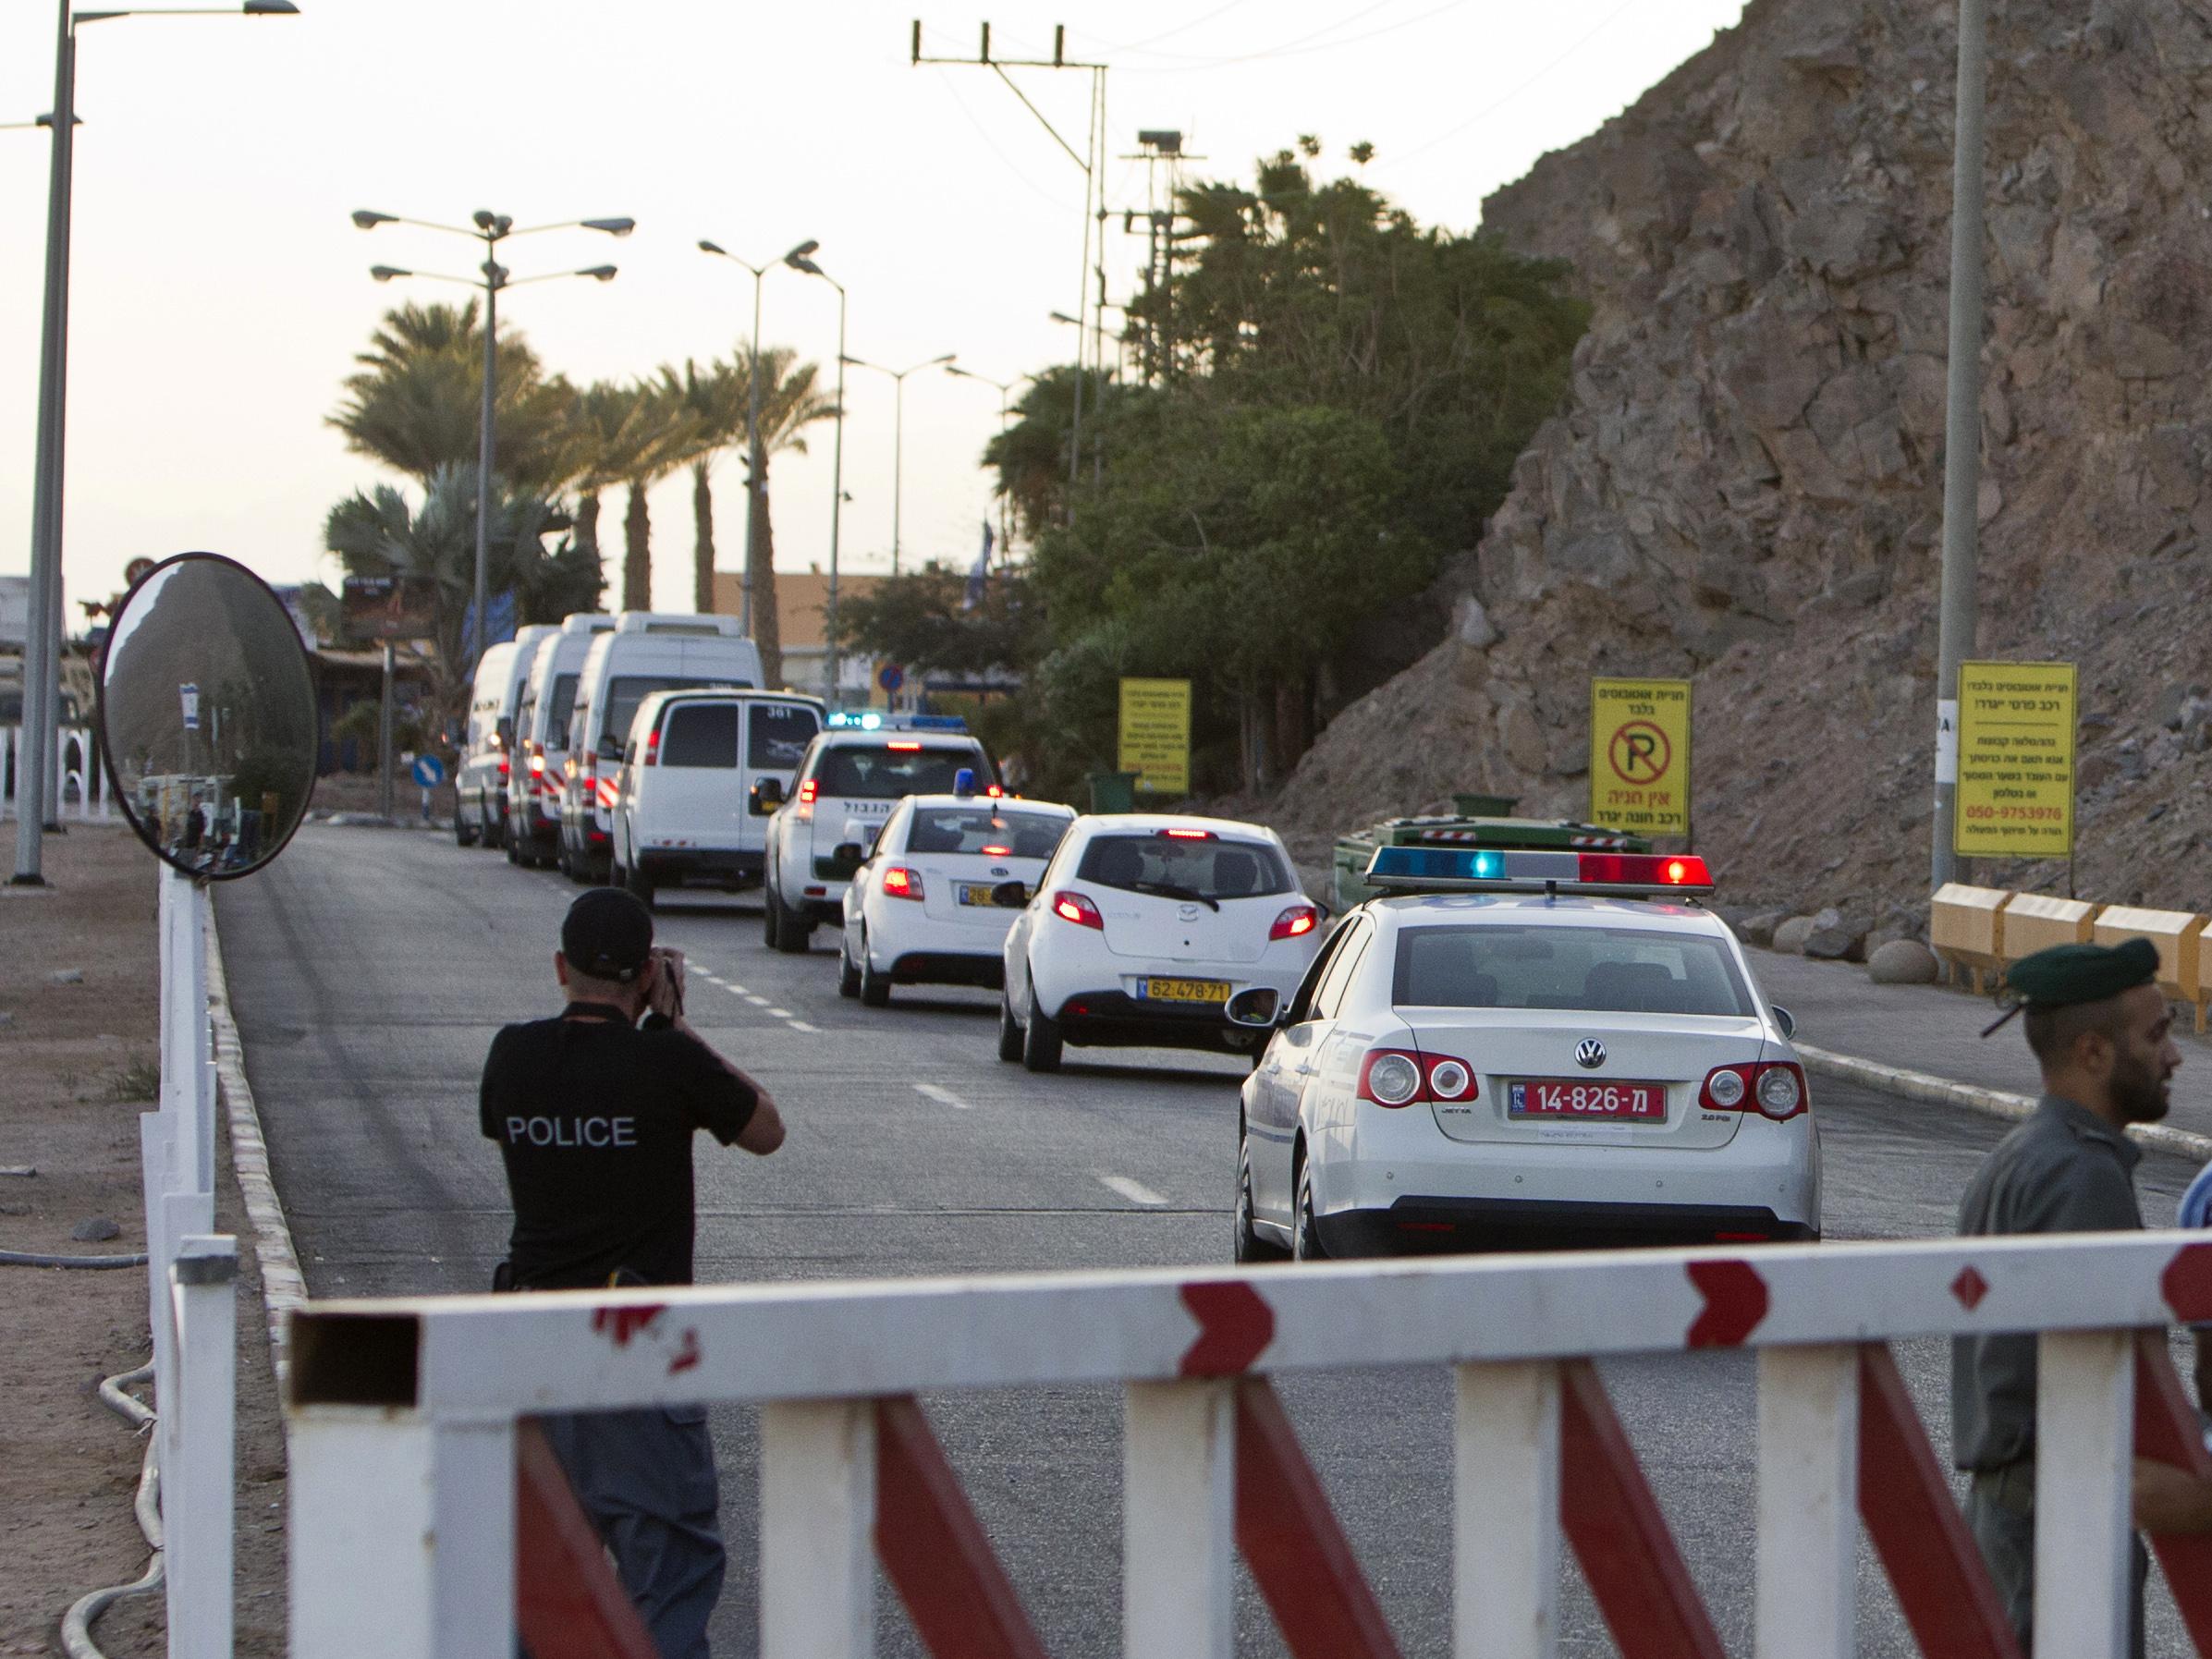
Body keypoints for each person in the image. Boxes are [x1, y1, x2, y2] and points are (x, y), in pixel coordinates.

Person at [481, 887, 785, 1659]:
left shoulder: (512, 1058)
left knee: (539, 1581)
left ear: (560, 967)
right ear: (649, 972)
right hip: (640, 1360)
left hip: (533, 1350)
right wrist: (676, 1026)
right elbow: (765, 1130)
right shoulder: (668, 1062)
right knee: (669, 1579)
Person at [1951, 936, 2212, 1654]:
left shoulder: (2021, 1157)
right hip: (2058, 1529)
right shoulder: (2078, 1176)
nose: (2174, 1056)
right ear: (2094, 1052)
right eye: (2156, 1034)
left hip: (2018, 1519)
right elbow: (2107, 1390)